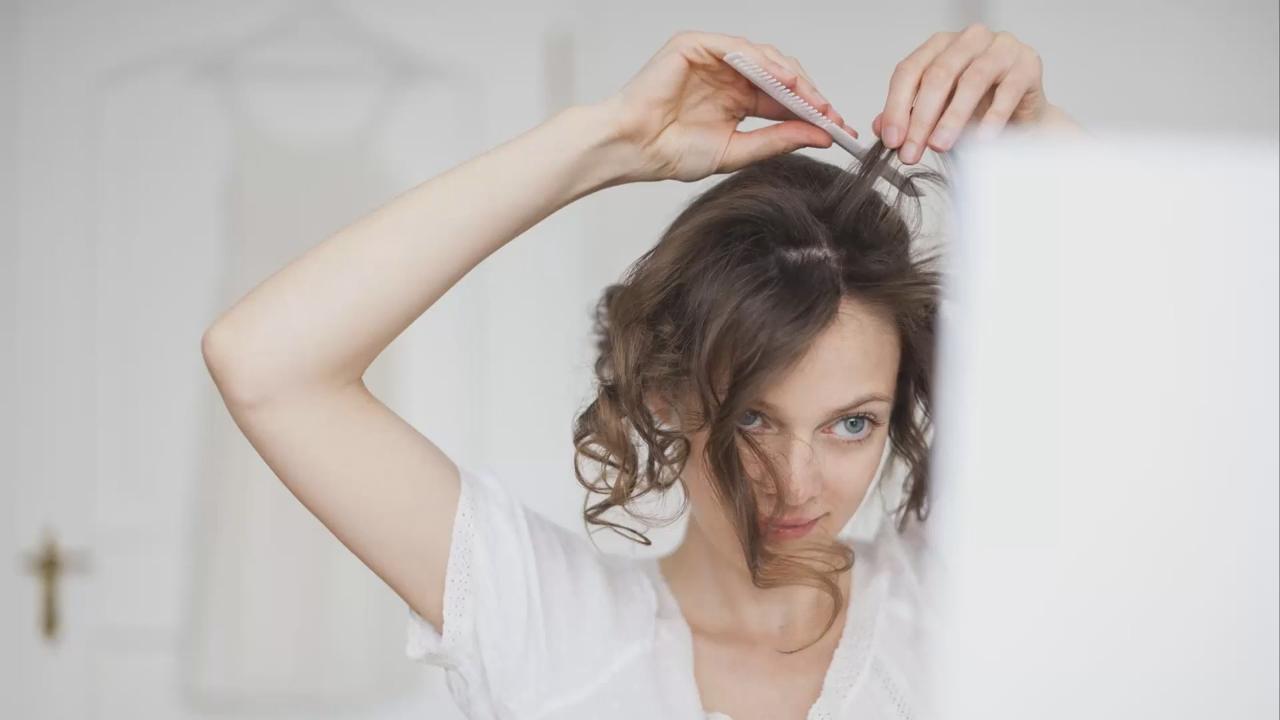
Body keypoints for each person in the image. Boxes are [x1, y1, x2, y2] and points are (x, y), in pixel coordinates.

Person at [202, 25, 1081, 720]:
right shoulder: (549, 630)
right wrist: (609, 140)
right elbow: (267, 364)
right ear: (666, 392)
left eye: (852, 423)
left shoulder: (956, 609)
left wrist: (1046, 143)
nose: (797, 485)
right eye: (750, 419)